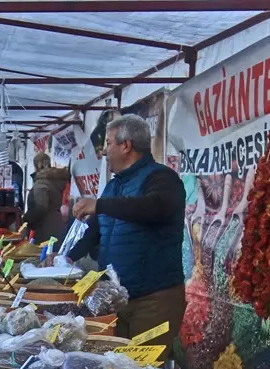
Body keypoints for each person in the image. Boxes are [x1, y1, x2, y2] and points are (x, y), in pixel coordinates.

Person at [69, 114, 185, 356]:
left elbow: (153, 207)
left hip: (154, 300)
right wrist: (69, 257)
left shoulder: (162, 178)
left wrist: (99, 205)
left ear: (126, 145)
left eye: (109, 143)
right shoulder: (114, 185)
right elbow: (98, 228)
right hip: (118, 299)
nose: (104, 152)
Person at [23, 152, 69, 244]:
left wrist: (26, 219)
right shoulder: (53, 180)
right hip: (56, 225)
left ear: (36, 166)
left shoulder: (41, 182)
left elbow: (41, 207)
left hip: (45, 229)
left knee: (45, 256)